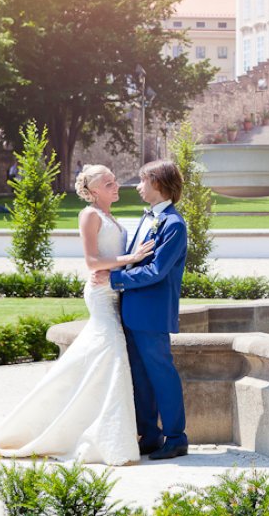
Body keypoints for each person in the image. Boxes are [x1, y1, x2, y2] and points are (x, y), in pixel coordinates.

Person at [0, 165, 154, 465]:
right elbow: (91, 262)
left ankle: (93, 428)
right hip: (100, 295)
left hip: (115, 289)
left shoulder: (112, 217)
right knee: (112, 355)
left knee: (100, 358)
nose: (116, 186)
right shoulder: (89, 215)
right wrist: (131, 258)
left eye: (114, 181)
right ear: (94, 191)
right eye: (108, 183)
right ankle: (105, 440)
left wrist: (129, 265)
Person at [93, 160, 189, 460]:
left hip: (152, 313)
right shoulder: (147, 217)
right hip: (133, 311)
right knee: (140, 376)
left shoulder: (173, 224)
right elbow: (135, 259)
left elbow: (157, 271)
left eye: (142, 181)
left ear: (158, 183)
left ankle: (176, 438)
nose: (137, 186)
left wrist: (115, 278)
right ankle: (149, 436)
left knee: (162, 375)